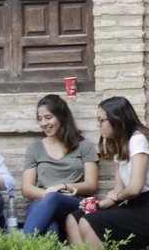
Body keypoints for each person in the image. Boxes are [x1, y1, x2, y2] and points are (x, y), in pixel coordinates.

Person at [68, 96, 149, 250]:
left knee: (88, 222)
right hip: (136, 207)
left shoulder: (139, 139)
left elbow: (134, 189)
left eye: (101, 120)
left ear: (117, 120)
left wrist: (117, 197)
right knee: (73, 218)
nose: (98, 125)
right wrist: (100, 205)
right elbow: (118, 190)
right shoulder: (120, 144)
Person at [20, 94, 100, 237]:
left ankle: (18, 249)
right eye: (40, 119)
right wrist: (50, 194)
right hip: (41, 201)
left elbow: (91, 185)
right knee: (51, 229)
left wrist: (64, 187)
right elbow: (27, 188)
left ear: (61, 117)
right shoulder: (35, 148)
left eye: (48, 117)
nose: (44, 123)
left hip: (73, 202)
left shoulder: (84, 146)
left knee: (53, 198)